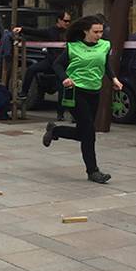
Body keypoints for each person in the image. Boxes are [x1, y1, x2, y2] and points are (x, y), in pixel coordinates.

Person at [44, 15, 123, 184]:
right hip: (75, 91)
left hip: (94, 91)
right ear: (86, 31)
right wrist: (65, 78)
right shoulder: (73, 47)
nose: (99, 35)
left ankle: (55, 131)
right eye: (95, 32)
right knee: (89, 132)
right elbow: (57, 65)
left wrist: (114, 79)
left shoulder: (105, 46)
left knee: (83, 132)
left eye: (101, 31)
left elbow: (105, 65)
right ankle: (93, 171)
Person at [14, 11, 71, 121]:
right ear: (59, 20)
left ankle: (60, 114)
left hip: (62, 64)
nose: (67, 23)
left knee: (61, 87)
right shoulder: (51, 31)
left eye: (69, 21)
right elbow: (36, 32)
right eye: (65, 21)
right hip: (50, 61)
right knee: (31, 69)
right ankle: (24, 93)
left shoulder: (69, 33)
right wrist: (22, 29)